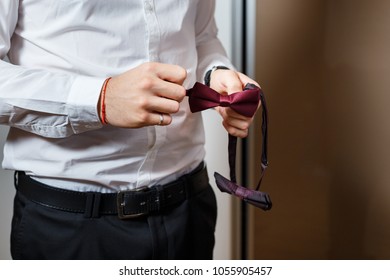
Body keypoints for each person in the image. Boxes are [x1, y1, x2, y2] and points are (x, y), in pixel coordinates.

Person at [0, 0, 260, 259]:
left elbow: (202, 36)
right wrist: (100, 99)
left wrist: (215, 73)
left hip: (190, 209)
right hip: (69, 226)